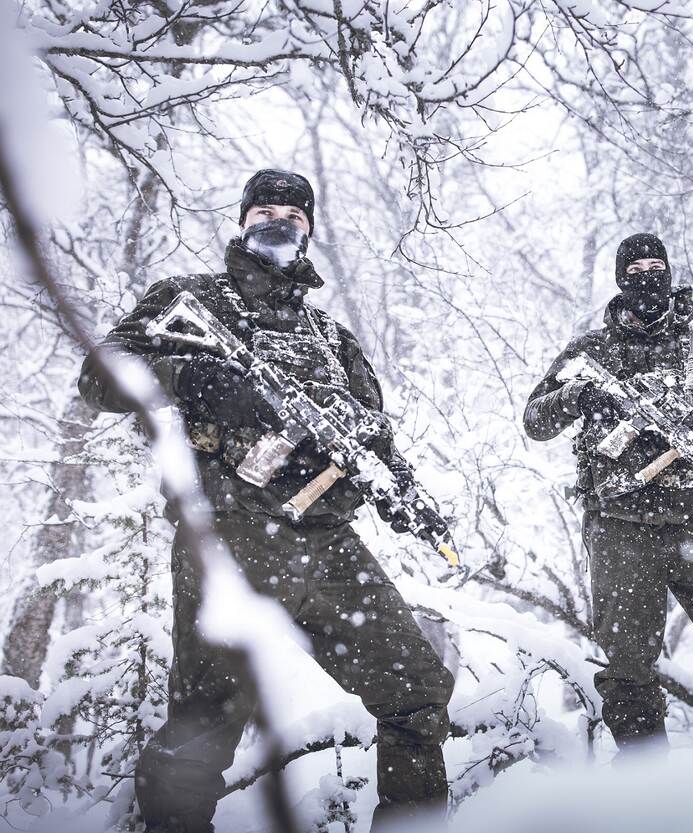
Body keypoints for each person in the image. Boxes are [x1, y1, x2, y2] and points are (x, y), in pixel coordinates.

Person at [77, 170, 454, 832]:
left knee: (417, 691)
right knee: (201, 734)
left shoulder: (332, 339)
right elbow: (99, 378)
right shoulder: (192, 299)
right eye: (266, 210)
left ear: (310, 228)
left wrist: (401, 490)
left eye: (294, 212)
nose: (280, 220)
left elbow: (373, 434)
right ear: (244, 220)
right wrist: (196, 377)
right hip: (231, 538)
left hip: (331, 545)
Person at [523, 232, 693, 754]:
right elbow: (535, 419)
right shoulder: (591, 351)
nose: (648, 274)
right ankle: (647, 793)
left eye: (656, 265)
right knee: (627, 670)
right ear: (622, 280)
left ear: (668, 273)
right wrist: (581, 396)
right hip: (621, 529)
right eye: (636, 267)